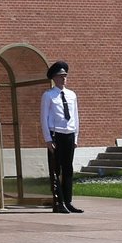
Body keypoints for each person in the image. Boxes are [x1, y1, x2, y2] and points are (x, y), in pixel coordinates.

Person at [40, 60, 82, 214]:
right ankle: (59, 202)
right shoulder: (48, 95)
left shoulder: (71, 95)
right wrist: (48, 139)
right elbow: (43, 118)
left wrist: (75, 137)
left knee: (68, 169)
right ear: (54, 78)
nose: (63, 79)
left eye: (65, 76)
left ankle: (68, 201)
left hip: (69, 134)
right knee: (55, 169)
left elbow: (75, 117)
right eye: (60, 76)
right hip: (55, 134)